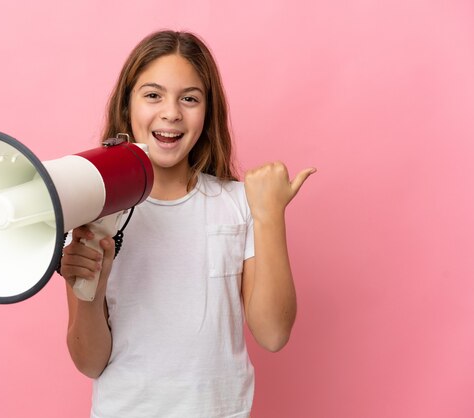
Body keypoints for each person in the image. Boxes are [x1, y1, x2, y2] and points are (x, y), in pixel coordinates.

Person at [58, 30, 316, 418]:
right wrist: (90, 286)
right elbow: (90, 362)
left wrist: (268, 215)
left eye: (189, 98)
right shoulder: (92, 208)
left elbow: (274, 333)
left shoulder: (238, 204)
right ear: (127, 106)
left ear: (207, 113)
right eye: (152, 95)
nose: (171, 112)